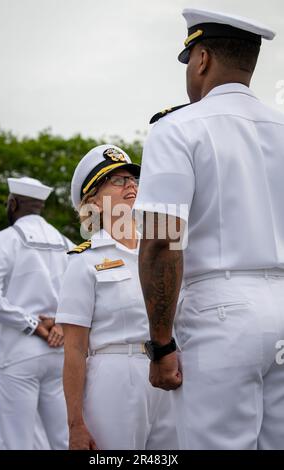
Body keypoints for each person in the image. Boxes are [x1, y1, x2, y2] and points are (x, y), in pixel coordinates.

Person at [135, 8, 284, 450]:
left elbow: (162, 240)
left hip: (220, 312)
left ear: (202, 58)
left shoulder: (178, 128)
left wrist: (161, 345)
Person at [56, 144, 179, 450]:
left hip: (168, 369)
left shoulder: (164, 251)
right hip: (114, 375)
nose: (131, 186)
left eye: (134, 179)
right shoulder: (83, 260)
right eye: (118, 180)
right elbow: (73, 348)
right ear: (94, 202)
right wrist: (75, 424)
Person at [0, 176, 73, 450]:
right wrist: (58, 323)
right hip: (60, 351)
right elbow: (82, 298)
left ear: (13, 204)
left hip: (18, 353)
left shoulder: (3, 241)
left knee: (18, 441)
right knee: (62, 439)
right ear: (40, 207)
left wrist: (33, 323)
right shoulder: (68, 243)